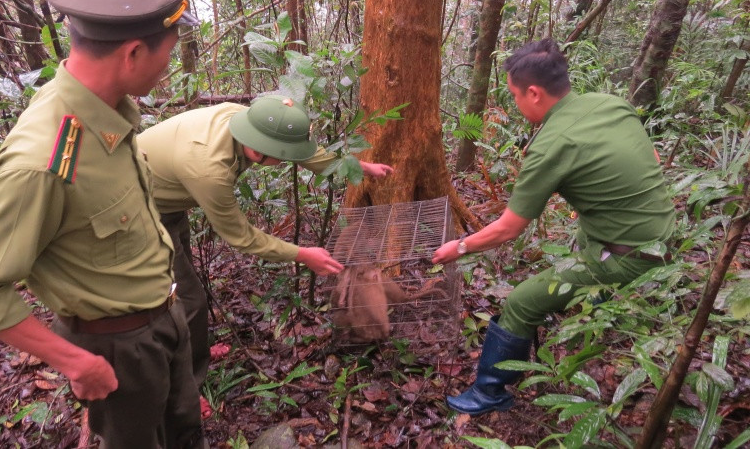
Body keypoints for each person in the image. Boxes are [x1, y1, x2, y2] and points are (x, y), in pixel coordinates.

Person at [0, 0, 206, 446]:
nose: (169, 65)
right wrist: (76, 363)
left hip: (164, 316)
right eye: (169, 53)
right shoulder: (43, 163)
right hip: (116, 347)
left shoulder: (106, 110)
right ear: (133, 53)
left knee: (184, 430)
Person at [432, 38, 675, 416]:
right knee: (580, 241)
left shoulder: (549, 146)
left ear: (534, 93)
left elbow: (508, 229)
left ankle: (489, 392)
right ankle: (591, 300)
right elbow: (653, 157)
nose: (515, 104)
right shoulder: (610, 103)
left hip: (632, 256)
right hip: (664, 233)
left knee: (522, 301)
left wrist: (459, 247)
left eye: (515, 95)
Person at [136, 95, 393, 396]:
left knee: (182, 284)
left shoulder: (250, 121)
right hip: (136, 211)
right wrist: (301, 254)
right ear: (258, 151)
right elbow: (241, 237)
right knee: (188, 300)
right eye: (282, 157)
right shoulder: (210, 170)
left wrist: (356, 166)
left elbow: (295, 147)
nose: (287, 160)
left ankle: (193, 348)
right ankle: (187, 389)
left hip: (164, 197)